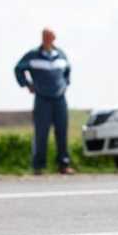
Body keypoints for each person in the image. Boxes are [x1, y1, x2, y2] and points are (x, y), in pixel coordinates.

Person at [14, 28, 75, 175]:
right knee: (41, 132)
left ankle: (63, 164)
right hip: (42, 98)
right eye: (45, 36)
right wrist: (27, 84)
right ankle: (38, 166)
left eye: (50, 36)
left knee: (62, 131)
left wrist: (65, 83)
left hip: (59, 98)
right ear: (42, 37)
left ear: (54, 38)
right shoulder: (33, 55)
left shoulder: (60, 55)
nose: (48, 38)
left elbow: (67, 71)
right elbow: (18, 69)